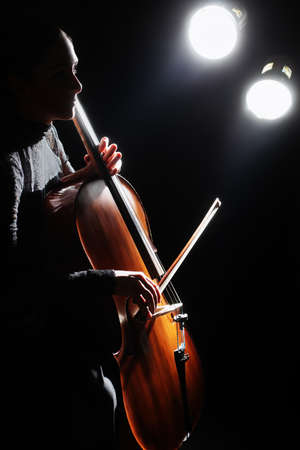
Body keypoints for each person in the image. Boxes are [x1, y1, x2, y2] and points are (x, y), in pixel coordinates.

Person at [0, 13, 160, 450]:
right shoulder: (7, 161)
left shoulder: (47, 128)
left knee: (103, 396)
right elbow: (14, 283)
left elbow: (57, 196)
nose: (78, 85)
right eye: (59, 74)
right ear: (18, 83)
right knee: (95, 401)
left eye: (75, 68)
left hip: (70, 323)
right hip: (31, 345)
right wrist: (110, 280)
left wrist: (88, 175)